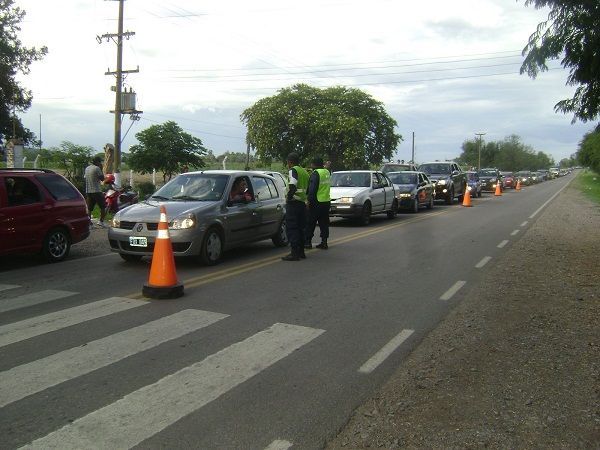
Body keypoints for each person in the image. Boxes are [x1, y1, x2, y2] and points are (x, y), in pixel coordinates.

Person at [282, 152, 309, 261]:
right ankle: (301, 252)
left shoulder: (293, 170)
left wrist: (289, 198)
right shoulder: (304, 172)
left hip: (293, 203)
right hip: (302, 203)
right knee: (301, 228)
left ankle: (294, 253)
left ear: (290, 162)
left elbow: (292, 185)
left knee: (292, 228)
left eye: (287, 162)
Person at [305, 156, 331, 249]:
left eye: (312, 164)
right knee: (324, 223)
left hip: (316, 202)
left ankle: (307, 242)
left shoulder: (315, 174)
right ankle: (324, 242)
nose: (311, 165)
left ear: (314, 164)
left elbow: (312, 189)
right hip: (326, 201)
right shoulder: (327, 172)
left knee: (310, 222)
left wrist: (308, 201)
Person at [84, 156, 107, 227]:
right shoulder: (97, 168)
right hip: (96, 191)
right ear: (97, 162)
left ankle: (89, 224)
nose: (101, 163)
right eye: (100, 162)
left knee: (89, 209)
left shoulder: (87, 168)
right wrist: (101, 168)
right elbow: (102, 179)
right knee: (103, 207)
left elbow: (85, 177)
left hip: (88, 191)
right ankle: (101, 221)